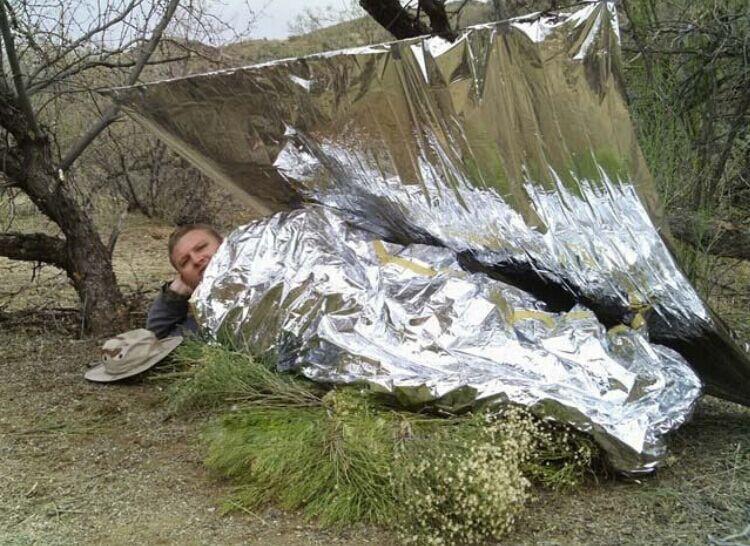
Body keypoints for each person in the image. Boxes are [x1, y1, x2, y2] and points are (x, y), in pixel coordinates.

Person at [146, 223, 222, 339]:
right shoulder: (204, 325)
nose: (196, 260)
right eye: (185, 262)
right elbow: (157, 341)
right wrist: (173, 296)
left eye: (201, 247)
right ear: (184, 279)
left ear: (224, 243)